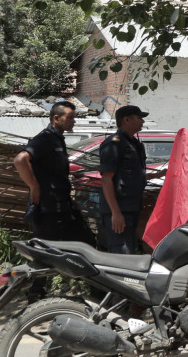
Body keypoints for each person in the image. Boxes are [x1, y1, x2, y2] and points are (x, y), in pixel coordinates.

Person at [13, 100, 97, 245]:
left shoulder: (57, 139)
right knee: (45, 252)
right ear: (57, 118)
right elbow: (20, 160)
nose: (74, 121)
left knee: (85, 243)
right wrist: (34, 186)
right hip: (48, 210)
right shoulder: (45, 138)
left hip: (63, 207)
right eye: (70, 117)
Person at [98, 105, 150, 254]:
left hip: (131, 208)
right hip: (119, 210)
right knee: (122, 254)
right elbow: (106, 180)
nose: (142, 121)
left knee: (130, 251)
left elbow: (132, 175)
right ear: (126, 120)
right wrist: (115, 213)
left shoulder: (133, 143)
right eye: (139, 118)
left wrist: (160, 175)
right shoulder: (114, 143)